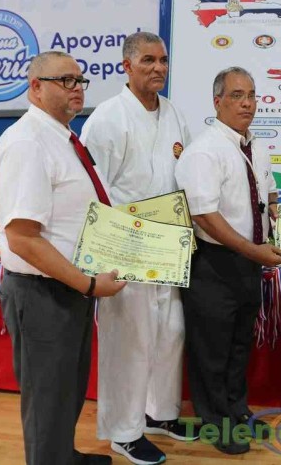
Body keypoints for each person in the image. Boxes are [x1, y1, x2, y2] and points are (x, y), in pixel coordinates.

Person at [0, 50, 127, 465]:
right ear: (35, 87)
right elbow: (21, 238)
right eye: (65, 81)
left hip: (68, 286)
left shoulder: (63, 138)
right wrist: (88, 283)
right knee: (47, 395)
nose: (77, 89)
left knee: (66, 388)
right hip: (43, 291)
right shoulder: (28, 143)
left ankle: (62, 455)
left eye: (80, 80)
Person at [80, 31, 194, 465]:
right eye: (148, 60)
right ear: (126, 66)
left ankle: (159, 413)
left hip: (170, 243)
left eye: (163, 60)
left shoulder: (174, 114)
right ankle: (123, 432)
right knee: (130, 342)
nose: (158, 68)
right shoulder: (107, 118)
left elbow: (184, 175)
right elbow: (95, 190)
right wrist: (110, 250)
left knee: (170, 332)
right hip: (126, 245)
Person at [175, 66, 281, 455]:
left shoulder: (256, 146)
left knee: (240, 344)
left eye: (252, 95)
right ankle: (215, 423)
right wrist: (252, 250)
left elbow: (268, 192)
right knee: (212, 349)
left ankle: (237, 412)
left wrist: (280, 213)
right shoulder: (204, 151)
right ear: (217, 102)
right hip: (213, 262)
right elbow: (204, 215)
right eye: (237, 96)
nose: (247, 103)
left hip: (248, 262)